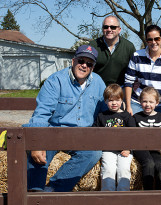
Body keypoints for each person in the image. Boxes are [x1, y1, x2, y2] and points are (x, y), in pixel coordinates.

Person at [24, 45, 106, 192]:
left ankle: (53, 191)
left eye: (89, 63)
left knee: (94, 152)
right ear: (73, 61)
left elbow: (107, 112)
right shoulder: (55, 81)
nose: (84, 65)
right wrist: (36, 142)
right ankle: (33, 193)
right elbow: (42, 113)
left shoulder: (99, 83)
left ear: (93, 67)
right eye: (81, 60)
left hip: (82, 135)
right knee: (36, 155)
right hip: (53, 132)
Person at [125, 25, 161, 116]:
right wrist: (128, 106)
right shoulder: (137, 56)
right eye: (150, 40)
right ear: (146, 41)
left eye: (157, 39)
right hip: (138, 103)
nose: (153, 42)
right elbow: (128, 82)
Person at [93, 84, 136, 191]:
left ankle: (123, 195)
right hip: (108, 149)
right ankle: (108, 194)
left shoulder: (127, 116)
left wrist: (128, 148)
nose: (114, 103)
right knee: (108, 170)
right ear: (105, 101)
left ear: (122, 101)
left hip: (124, 150)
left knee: (124, 169)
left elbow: (133, 135)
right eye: (110, 100)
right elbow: (95, 133)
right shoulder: (101, 116)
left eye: (117, 100)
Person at [133, 87, 161, 190]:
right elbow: (133, 136)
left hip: (155, 148)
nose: (148, 105)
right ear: (140, 101)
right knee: (149, 163)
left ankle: (160, 192)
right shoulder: (136, 117)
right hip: (140, 148)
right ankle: (148, 192)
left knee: (159, 165)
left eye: (151, 102)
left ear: (157, 103)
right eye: (144, 101)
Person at [90, 15, 136, 86]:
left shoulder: (129, 47)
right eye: (106, 27)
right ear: (102, 29)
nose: (109, 29)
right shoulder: (92, 46)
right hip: (98, 90)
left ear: (119, 30)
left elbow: (135, 71)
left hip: (121, 91)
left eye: (113, 27)